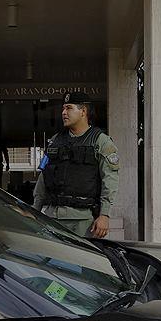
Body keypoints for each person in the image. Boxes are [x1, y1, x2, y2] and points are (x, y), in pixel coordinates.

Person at [33, 92, 118, 238]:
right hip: (52, 218)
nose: (63, 113)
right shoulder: (55, 141)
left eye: (69, 108)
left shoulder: (101, 142)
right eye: (63, 108)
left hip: (83, 221)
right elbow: (44, 177)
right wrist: (35, 209)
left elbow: (110, 180)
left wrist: (104, 215)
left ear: (83, 111)